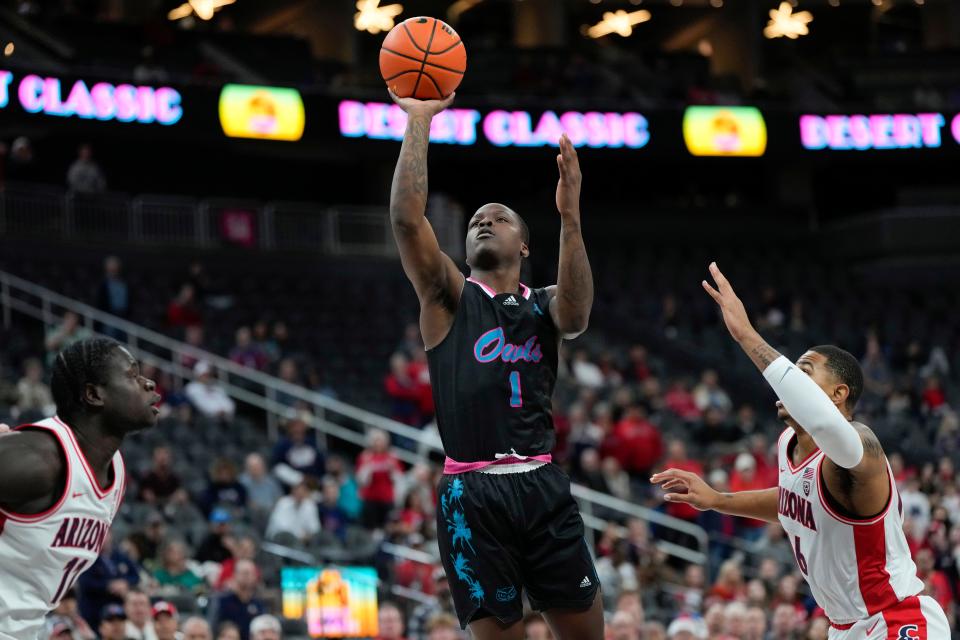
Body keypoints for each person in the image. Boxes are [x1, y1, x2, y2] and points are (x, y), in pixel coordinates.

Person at [387, 90, 599, 639]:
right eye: (477, 219)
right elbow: (408, 221)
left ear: (525, 247)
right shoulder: (449, 297)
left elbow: (575, 315)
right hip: (473, 494)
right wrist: (418, 121)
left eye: (499, 218)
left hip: (541, 484)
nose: (483, 221)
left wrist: (570, 217)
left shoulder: (544, 302)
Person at [651, 263, 950, 638]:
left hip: (897, 618)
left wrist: (746, 336)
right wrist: (717, 499)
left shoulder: (863, 450)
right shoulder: (786, 444)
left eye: (803, 372)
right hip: (844, 628)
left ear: (839, 394)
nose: (790, 381)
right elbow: (791, 501)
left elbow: (824, 424)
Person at [0, 338, 159, 639]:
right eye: (132, 375)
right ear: (93, 394)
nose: (149, 383)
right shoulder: (41, 457)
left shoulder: (116, 473)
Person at [207, 560, 265, 640]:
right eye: (245, 573)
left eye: (252, 573)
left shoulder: (258, 604)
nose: (249, 576)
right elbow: (211, 628)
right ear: (235, 575)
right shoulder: (221, 601)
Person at [265, 479, 320, 543]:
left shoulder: (310, 506)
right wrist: (300, 536)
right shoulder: (283, 503)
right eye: (298, 491)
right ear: (293, 491)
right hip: (279, 540)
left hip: (301, 543)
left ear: (307, 493)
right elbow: (281, 528)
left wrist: (307, 536)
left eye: (303, 492)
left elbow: (315, 529)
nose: (300, 494)